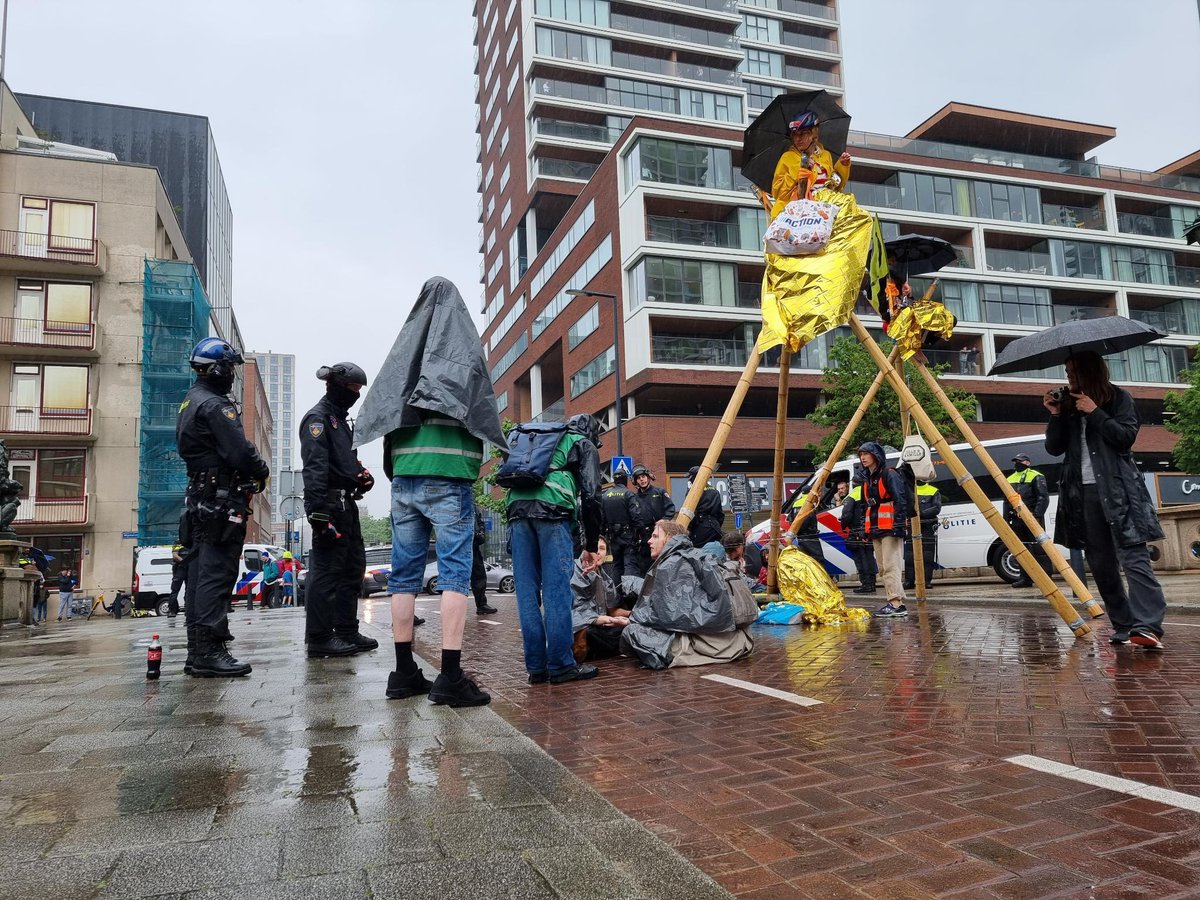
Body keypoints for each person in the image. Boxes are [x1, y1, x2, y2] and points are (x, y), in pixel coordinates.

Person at [352, 276, 507, 706]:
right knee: (455, 572)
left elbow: (387, 413)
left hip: (405, 477)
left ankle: (403, 673)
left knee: (403, 574)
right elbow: (479, 407)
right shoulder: (461, 357)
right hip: (448, 474)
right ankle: (451, 677)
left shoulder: (405, 357)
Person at [1045, 351, 1167, 650]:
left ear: (1090, 371)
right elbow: (1053, 448)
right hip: (1082, 494)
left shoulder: (1119, 399)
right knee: (1101, 564)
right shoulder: (1068, 406)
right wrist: (1056, 415)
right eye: (1066, 371)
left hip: (1119, 490)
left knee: (1134, 557)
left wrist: (1095, 410)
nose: (1068, 377)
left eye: (1073, 371)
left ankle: (1148, 626)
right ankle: (1124, 626)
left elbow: (1125, 437)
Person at [176, 337, 268, 677]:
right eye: (228, 367)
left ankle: (197, 651)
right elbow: (239, 451)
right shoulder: (216, 405)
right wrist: (261, 470)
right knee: (216, 573)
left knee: (199, 574)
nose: (230, 374)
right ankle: (210, 651)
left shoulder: (190, 400)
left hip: (200, 498)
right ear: (216, 368)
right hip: (219, 497)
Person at [507, 413, 605, 685]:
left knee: (527, 596)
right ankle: (562, 666)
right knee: (557, 595)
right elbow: (592, 496)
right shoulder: (581, 443)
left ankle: (536, 668)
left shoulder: (533, 439)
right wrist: (589, 543)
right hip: (552, 514)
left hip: (516, 513)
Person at [300, 362, 379, 657]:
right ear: (334, 386)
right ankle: (320, 637)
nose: (356, 394)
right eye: (352, 389)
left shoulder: (341, 422)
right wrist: (319, 514)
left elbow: (344, 464)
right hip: (329, 506)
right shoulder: (318, 419)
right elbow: (315, 468)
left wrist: (361, 476)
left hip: (347, 504)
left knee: (352, 568)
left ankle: (346, 630)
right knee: (326, 572)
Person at [620, 520, 754, 669]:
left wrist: (633, 619)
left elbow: (672, 616)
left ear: (669, 538)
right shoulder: (695, 555)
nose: (649, 541)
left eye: (655, 536)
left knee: (631, 632)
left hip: (709, 645)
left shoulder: (671, 563)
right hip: (739, 639)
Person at [769, 110, 852, 222]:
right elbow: (778, 192)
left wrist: (842, 165)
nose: (798, 139)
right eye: (795, 135)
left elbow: (835, 186)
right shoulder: (788, 157)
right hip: (796, 216)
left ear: (814, 134)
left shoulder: (825, 155)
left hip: (823, 211)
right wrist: (800, 168)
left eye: (803, 134)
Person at [857, 442, 909, 617]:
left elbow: (900, 499)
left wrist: (900, 525)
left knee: (890, 565)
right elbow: (866, 507)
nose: (863, 457)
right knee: (883, 567)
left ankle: (895, 603)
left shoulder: (889, 474)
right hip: (877, 528)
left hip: (890, 528)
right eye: (861, 454)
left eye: (866, 454)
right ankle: (897, 603)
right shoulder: (868, 479)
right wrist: (865, 530)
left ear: (875, 456)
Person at [570, 537, 630, 663]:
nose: (597, 552)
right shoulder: (575, 573)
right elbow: (574, 609)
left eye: (602, 549)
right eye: (595, 548)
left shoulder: (606, 578)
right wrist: (596, 619)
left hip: (601, 624)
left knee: (628, 629)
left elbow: (612, 609)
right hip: (583, 625)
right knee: (589, 633)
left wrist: (631, 615)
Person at [1003, 452, 1051, 589]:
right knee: (1021, 550)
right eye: (1016, 461)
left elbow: (1043, 497)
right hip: (1017, 520)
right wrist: (1006, 518)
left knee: (1039, 548)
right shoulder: (1010, 479)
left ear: (1028, 462)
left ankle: (1046, 578)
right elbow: (1006, 501)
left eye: (1021, 461)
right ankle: (1025, 578)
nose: (1017, 463)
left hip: (1032, 518)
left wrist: (1036, 515)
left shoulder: (1036, 475)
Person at [600, 470, 647, 578]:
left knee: (616, 565)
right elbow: (636, 516)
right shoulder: (628, 494)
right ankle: (630, 593)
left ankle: (617, 592)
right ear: (625, 480)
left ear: (614, 480)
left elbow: (601, 518)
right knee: (630, 564)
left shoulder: (606, 495)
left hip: (612, 537)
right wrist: (642, 533)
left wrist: (603, 534)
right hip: (628, 536)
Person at [840, 465, 877, 594]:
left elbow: (846, 515)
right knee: (870, 557)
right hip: (870, 530)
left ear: (854, 484)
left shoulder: (852, 495)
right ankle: (872, 583)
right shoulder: (870, 493)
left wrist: (843, 525)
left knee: (861, 559)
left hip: (856, 531)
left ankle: (866, 584)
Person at [632, 464, 675, 575]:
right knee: (645, 565)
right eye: (639, 478)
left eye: (643, 476)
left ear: (648, 477)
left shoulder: (659, 492)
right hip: (643, 535)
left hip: (660, 533)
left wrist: (664, 520)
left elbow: (671, 508)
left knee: (662, 560)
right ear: (636, 481)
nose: (642, 479)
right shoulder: (634, 498)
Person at [904, 479, 942, 590]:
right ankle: (909, 581)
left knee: (927, 555)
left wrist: (919, 514)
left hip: (927, 527)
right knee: (910, 556)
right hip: (912, 526)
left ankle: (926, 581)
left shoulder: (933, 490)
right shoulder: (909, 490)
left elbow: (936, 508)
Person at [686, 465, 725, 550]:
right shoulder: (715, 491)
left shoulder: (692, 492)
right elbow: (720, 515)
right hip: (714, 528)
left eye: (690, 477)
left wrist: (689, 529)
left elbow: (690, 512)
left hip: (700, 528)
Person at [470, 503, 498, 615]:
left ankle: (481, 604)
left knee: (479, 574)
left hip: (474, 544)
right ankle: (452, 608)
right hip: (461, 542)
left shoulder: (473, 506)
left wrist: (481, 531)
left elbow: (480, 521)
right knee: (455, 575)